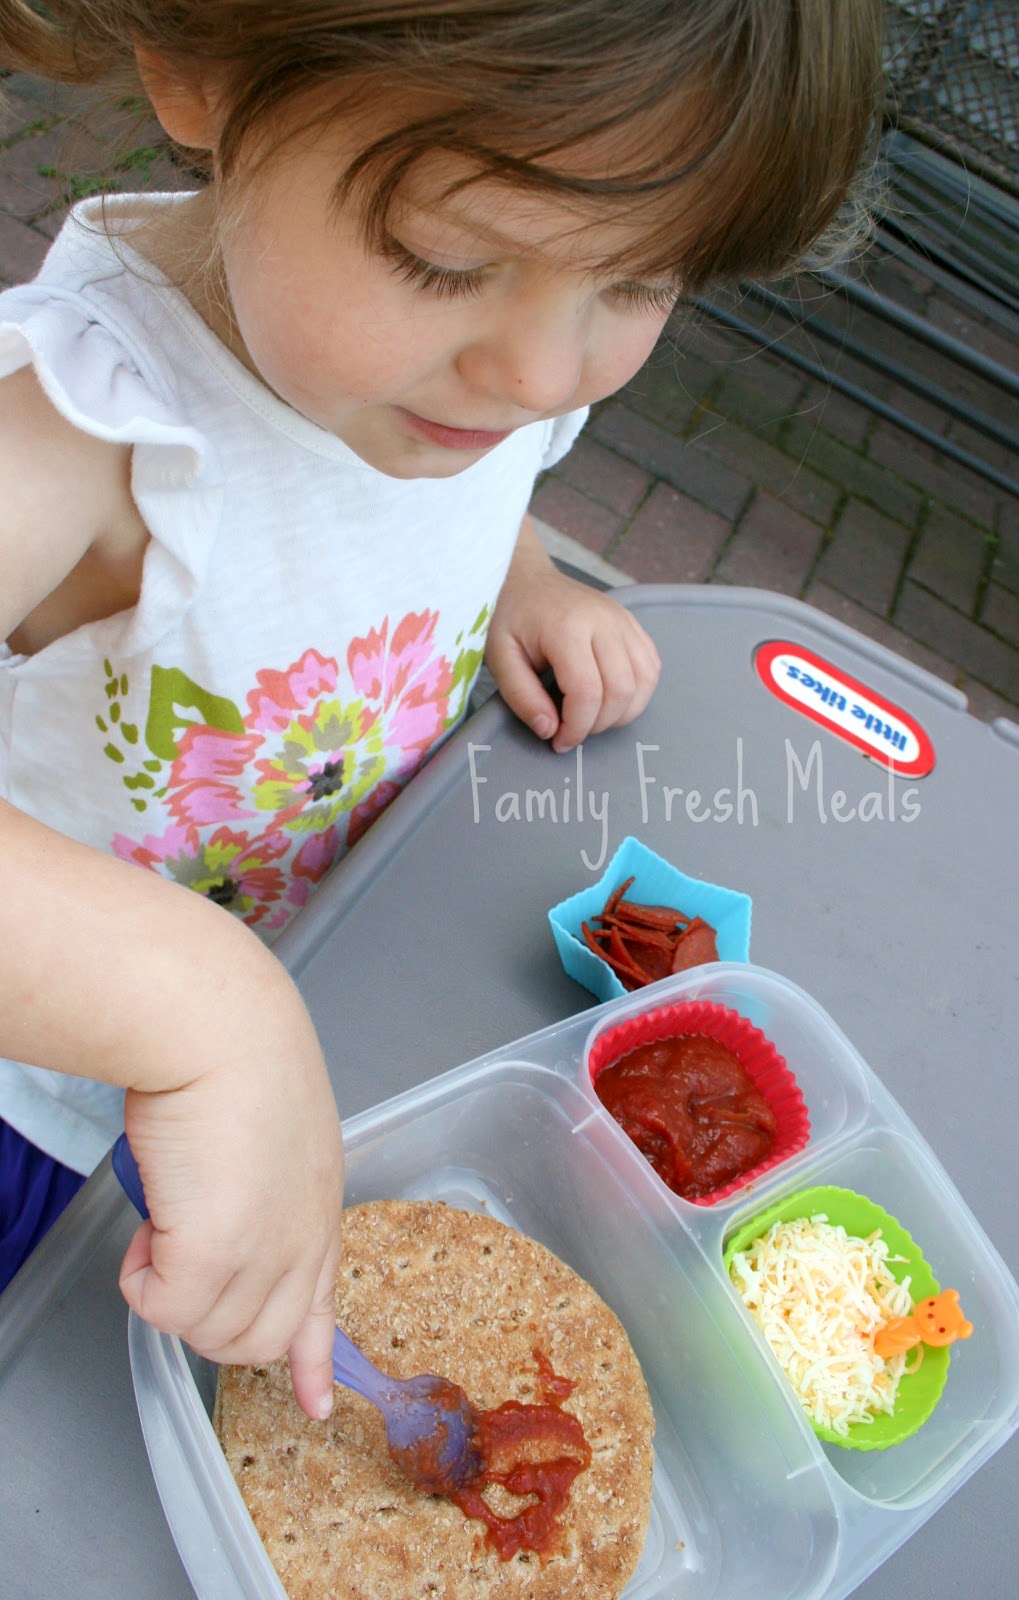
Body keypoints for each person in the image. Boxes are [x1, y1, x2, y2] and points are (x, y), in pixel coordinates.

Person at [0, 1, 884, 1420]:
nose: (542, 375)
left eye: (640, 281)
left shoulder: (450, 385)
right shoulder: (85, 426)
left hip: (336, 990)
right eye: (448, 261)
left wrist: (519, 575)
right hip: (48, 1103)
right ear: (201, 69)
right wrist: (201, 1004)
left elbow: (451, 490)